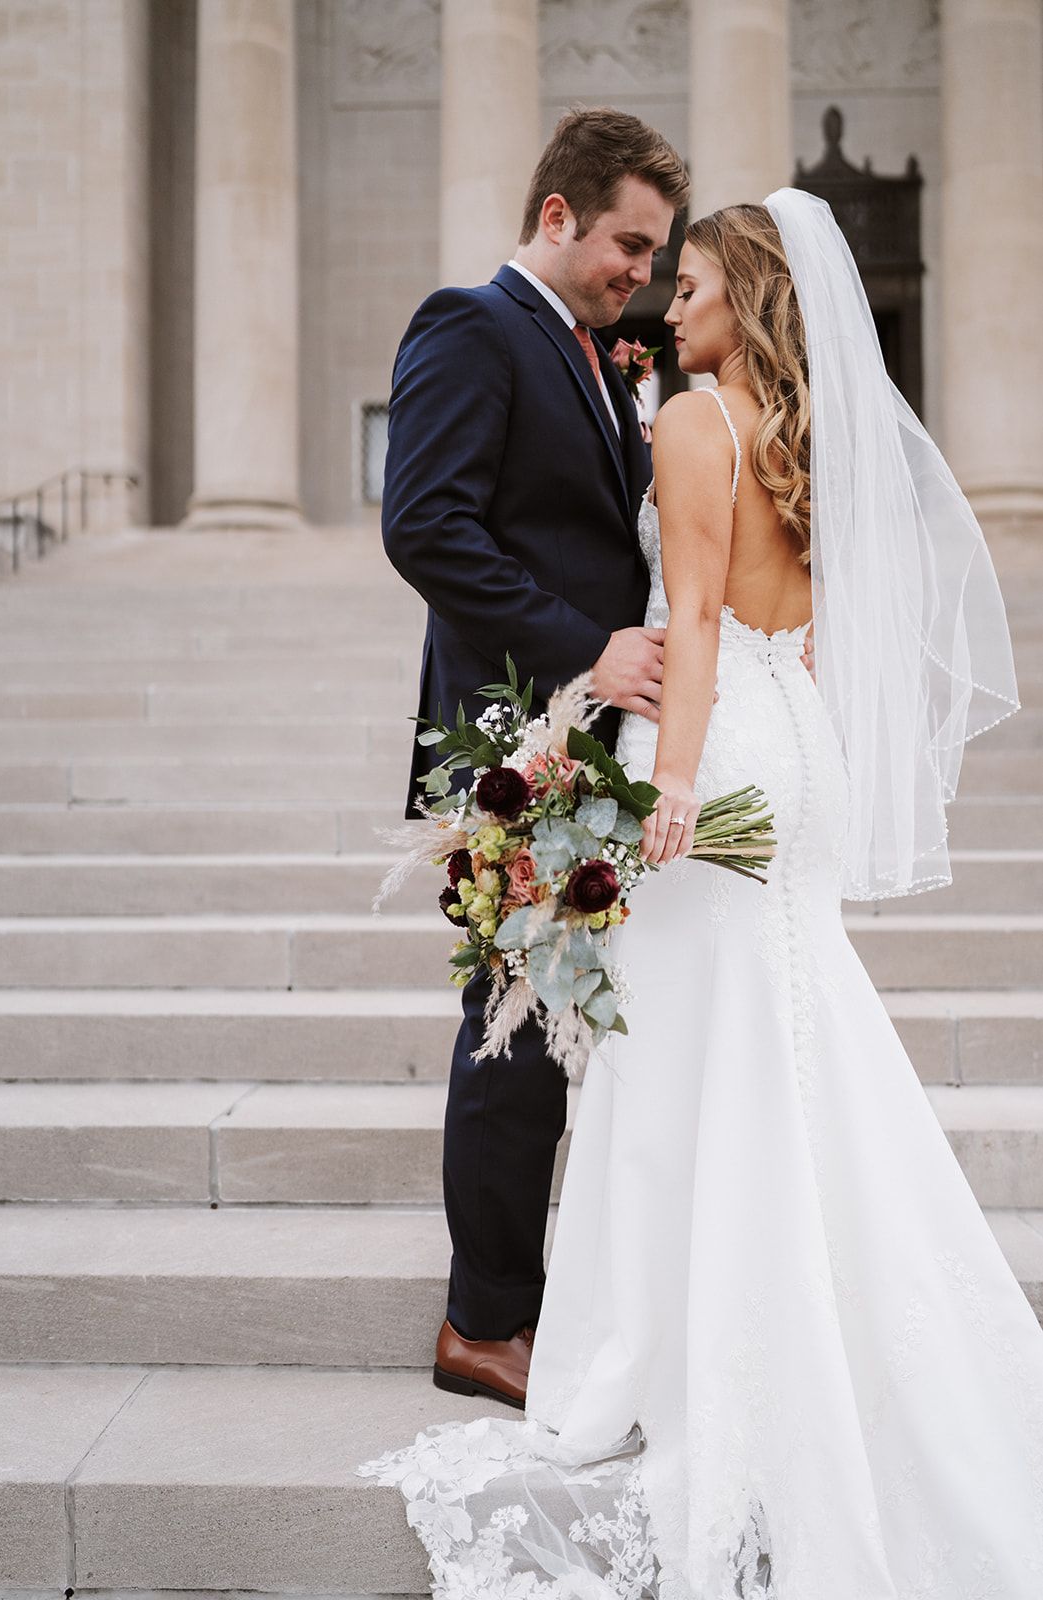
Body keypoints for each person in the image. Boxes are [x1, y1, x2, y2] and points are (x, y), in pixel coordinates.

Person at [362, 191, 1043, 1598]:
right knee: (786, 1041)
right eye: (656, 281)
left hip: (714, 748)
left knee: (675, 1062)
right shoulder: (806, 433)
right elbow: (789, 624)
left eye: (690, 287)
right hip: (798, 753)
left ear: (747, 296)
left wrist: (663, 789)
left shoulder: (691, 421)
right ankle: (821, 1322)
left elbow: (693, 628)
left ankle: (673, 1347)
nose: (665, 307)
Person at [380, 108, 692, 1407]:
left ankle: (538, 1296)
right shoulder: (470, 323)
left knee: (550, 1022)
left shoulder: (589, 347)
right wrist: (587, 653)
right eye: (628, 241)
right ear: (556, 214)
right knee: (508, 1035)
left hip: (587, 746)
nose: (643, 270)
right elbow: (427, 529)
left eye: (656, 250)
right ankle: (483, 1322)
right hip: (515, 741)